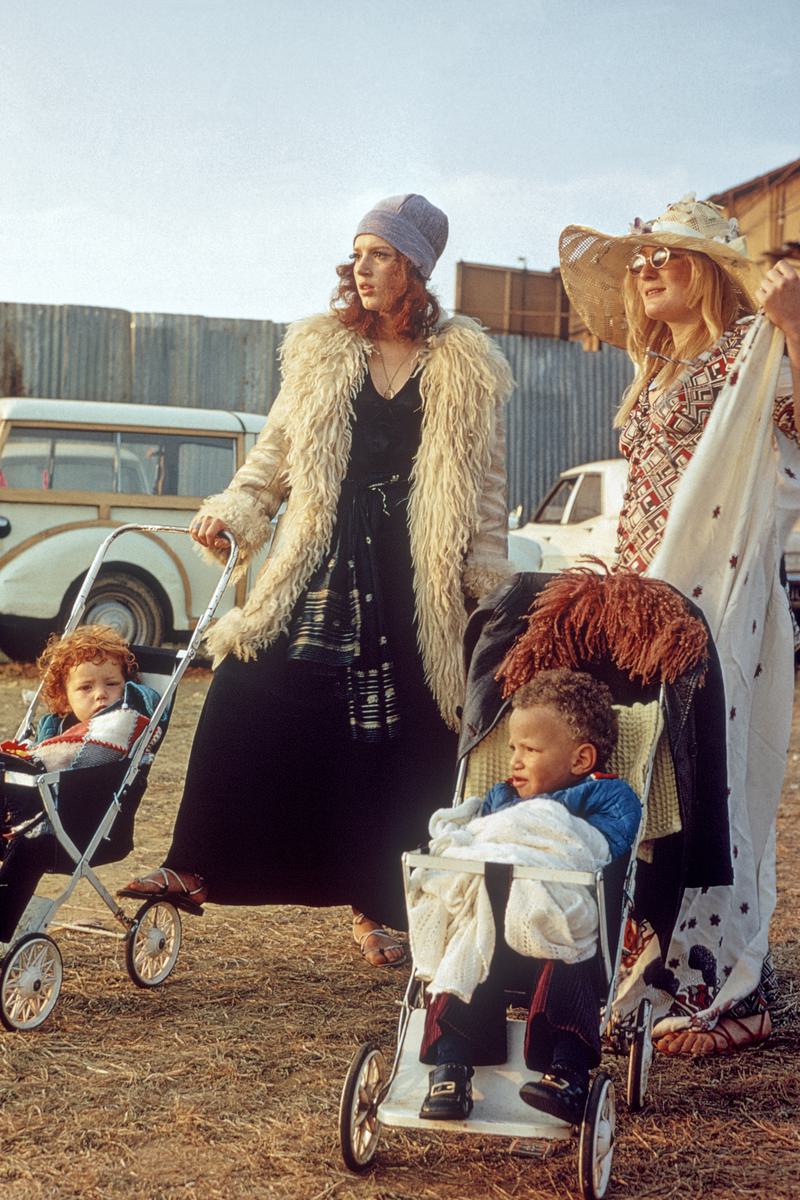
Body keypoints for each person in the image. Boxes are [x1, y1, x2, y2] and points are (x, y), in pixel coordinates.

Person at [120, 193, 514, 967]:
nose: (361, 268)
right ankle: (196, 861)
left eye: (381, 255)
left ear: (416, 269)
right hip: (322, 558)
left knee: (403, 741)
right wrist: (236, 510)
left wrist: (486, 576)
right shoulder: (322, 350)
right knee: (246, 689)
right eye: (358, 254)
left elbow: (487, 488)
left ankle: (380, 903)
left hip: (415, 572)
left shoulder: (464, 362)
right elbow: (273, 456)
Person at [558, 194, 800, 1055]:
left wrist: (793, 324)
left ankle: (734, 988)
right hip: (642, 594)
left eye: (665, 254)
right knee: (644, 768)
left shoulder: (752, 350)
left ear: (708, 272)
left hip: (715, 598)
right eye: (638, 258)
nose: (645, 268)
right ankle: (645, 958)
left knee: (714, 773)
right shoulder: (654, 369)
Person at [414, 670, 641, 1125]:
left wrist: (542, 828)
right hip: (495, 927)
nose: (514, 760)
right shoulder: (500, 799)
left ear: (581, 758)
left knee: (573, 956)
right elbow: (481, 840)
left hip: (560, 926)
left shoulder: (609, 796)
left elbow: (597, 851)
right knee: (465, 949)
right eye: (513, 747)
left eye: (531, 750)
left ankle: (567, 1071)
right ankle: (452, 1065)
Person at [0, 625, 161, 943]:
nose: (101, 694)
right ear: (64, 697)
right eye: (85, 688)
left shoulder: (121, 725)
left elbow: (54, 760)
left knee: (25, 851)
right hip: (38, 820)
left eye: (112, 684)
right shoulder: (56, 727)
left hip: (85, 834)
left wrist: (31, 761)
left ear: (126, 687)